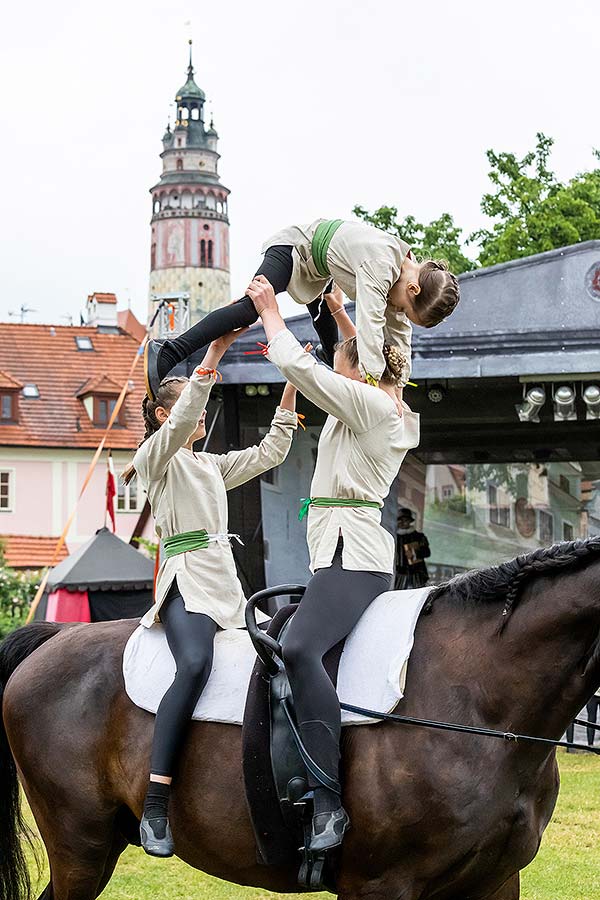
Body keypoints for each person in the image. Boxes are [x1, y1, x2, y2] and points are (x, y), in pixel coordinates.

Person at [245, 274, 420, 853]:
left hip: (353, 553)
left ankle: (326, 801)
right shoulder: (382, 400)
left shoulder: (368, 405)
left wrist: (272, 312)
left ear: (360, 373)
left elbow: (303, 367)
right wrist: (343, 316)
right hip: (341, 550)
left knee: (297, 649)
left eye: (341, 358)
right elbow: (360, 360)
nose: (338, 364)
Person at [123, 329, 299, 857]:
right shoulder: (157, 457)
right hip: (185, 581)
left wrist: (292, 382)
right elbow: (180, 423)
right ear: (162, 416)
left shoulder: (210, 466)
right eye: (192, 410)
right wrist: (215, 354)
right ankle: (155, 802)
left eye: (203, 409)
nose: (203, 418)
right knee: (195, 665)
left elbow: (273, 451)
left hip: (227, 586)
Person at [144, 217, 460, 402]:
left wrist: (400, 390)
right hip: (294, 250)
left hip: (321, 272)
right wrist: (380, 389)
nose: (399, 311)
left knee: (328, 339)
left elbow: (400, 337)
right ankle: (169, 351)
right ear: (413, 289)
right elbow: (372, 328)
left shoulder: (404, 279)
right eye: (404, 307)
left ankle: (325, 359)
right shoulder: (381, 264)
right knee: (251, 308)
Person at [394, 507, 431, 589]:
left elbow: (427, 552)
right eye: (400, 520)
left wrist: (414, 553)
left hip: (417, 574)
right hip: (400, 576)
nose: (403, 523)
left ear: (410, 521)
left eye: (405, 520)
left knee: (419, 596)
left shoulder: (419, 537)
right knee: (397, 596)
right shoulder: (394, 538)